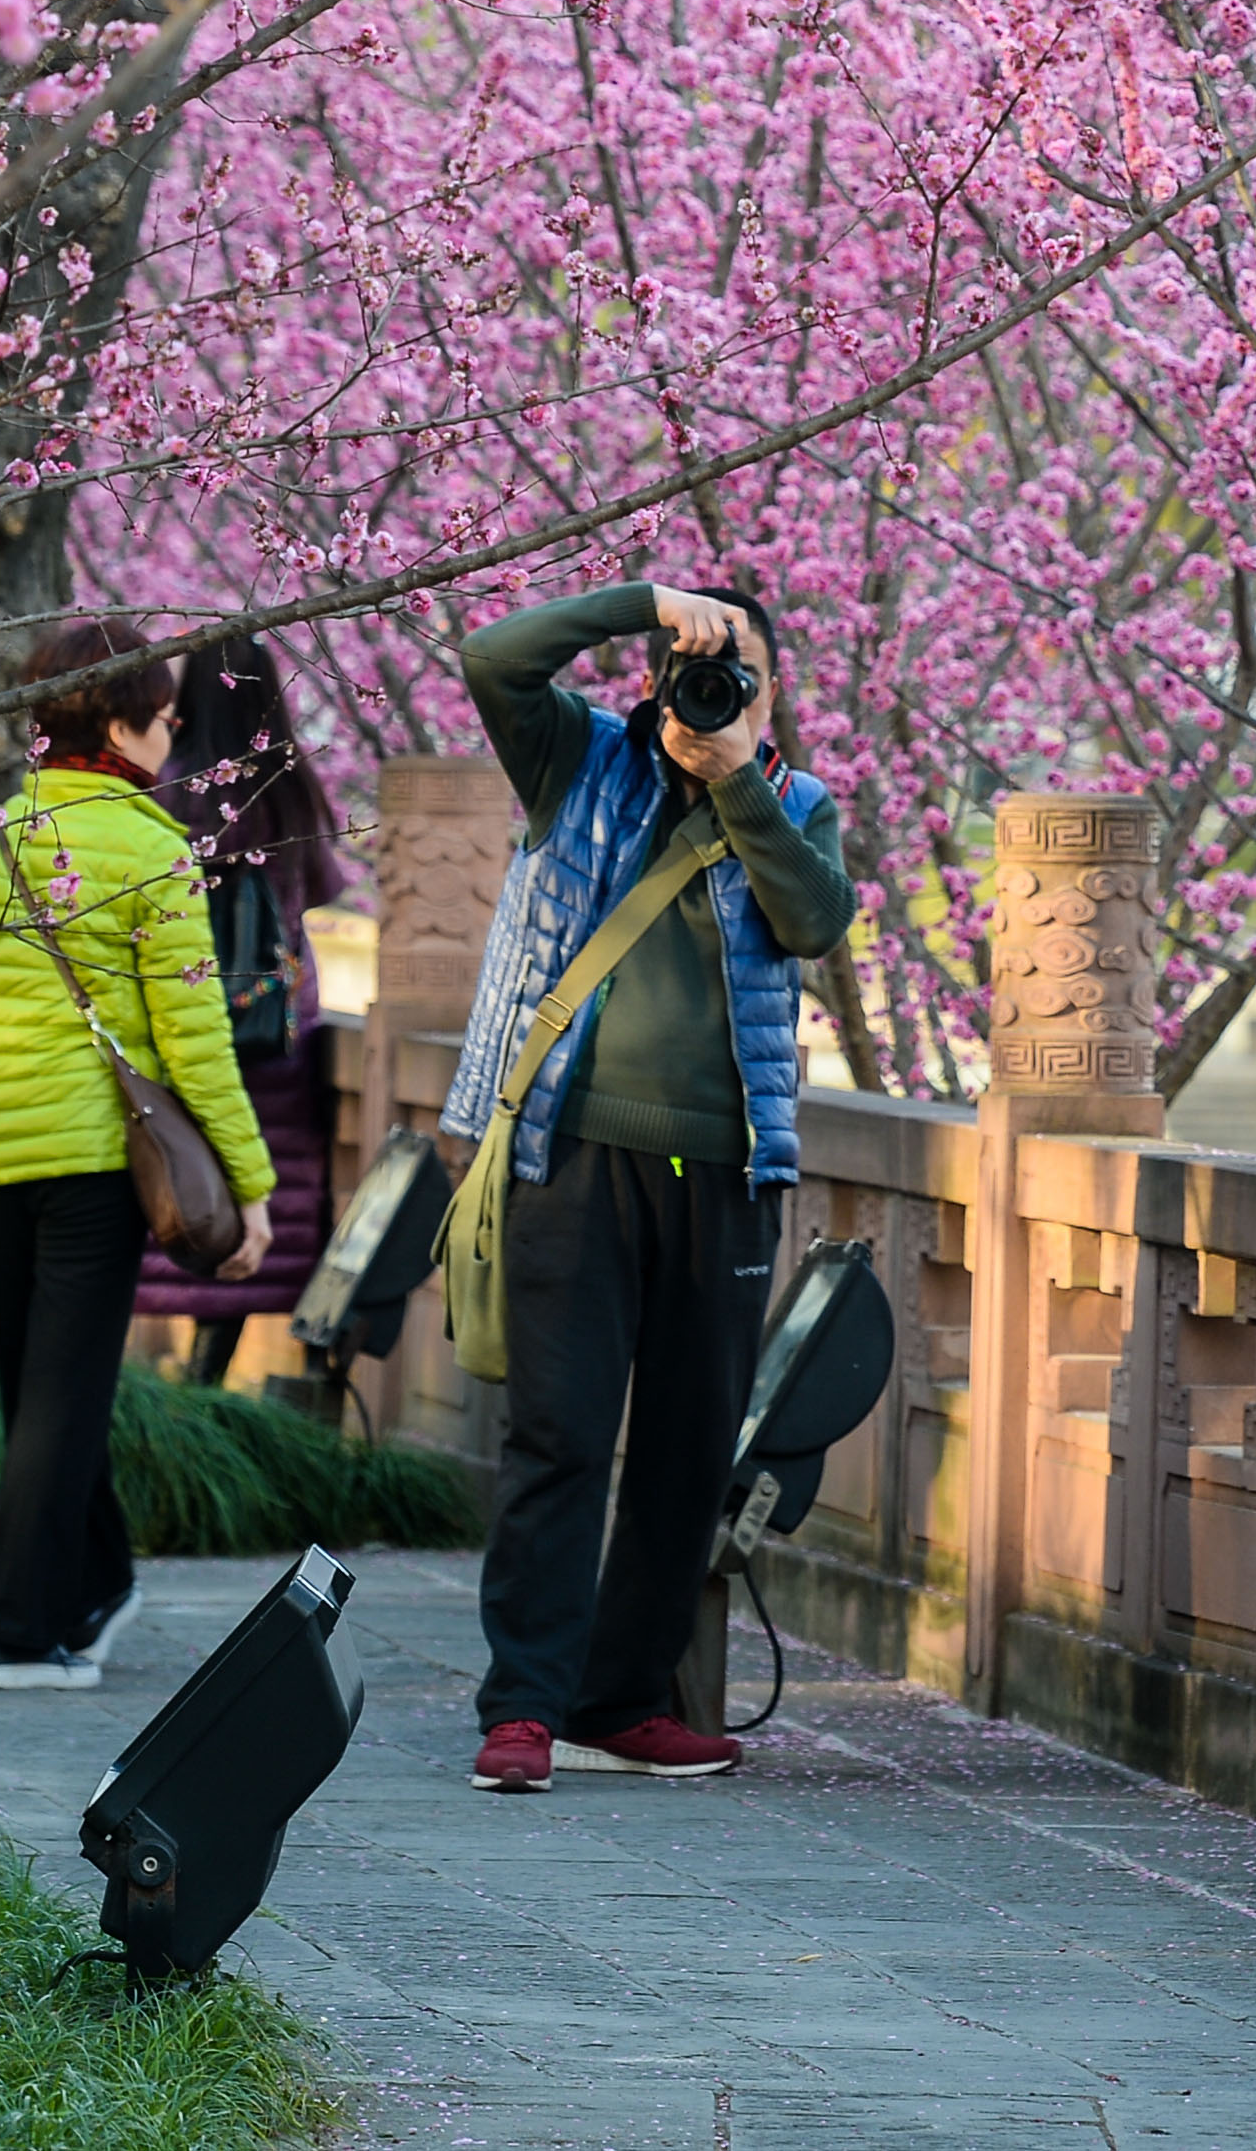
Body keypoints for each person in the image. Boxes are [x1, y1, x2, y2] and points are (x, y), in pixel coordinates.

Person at [447, 580, 850, 1792]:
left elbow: (813, 920)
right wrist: (642, 602)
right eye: (698, 667)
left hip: (729, 1172)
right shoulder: (582, 761)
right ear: (656, 673)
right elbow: (492, 658)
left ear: (772, 695)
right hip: (573, 1155)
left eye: (742, 674)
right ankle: (523, 1705)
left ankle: (616, 1702)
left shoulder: (795, 803)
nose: (714, 692)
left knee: (686, 1451)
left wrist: (735, 776)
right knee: (558, 1436)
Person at [0, 615, 276, 1692]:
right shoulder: (156, 854)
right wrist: (249, 1187)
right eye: (165, 719)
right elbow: (194, 1044)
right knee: (62, 1399)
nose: (172, 737)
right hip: (85, 1168)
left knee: (36, 1390)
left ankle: (97, 1579)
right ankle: (20, 1639)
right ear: (122, 723)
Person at [133, 634, 350, 1381]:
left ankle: (163, 1407)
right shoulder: (286, 787)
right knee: (253, 1218)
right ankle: (207, 1387)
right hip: (277, 1034)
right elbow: (326, 888)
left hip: (185, 1031)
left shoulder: (163, 793)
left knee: (178, 1194)